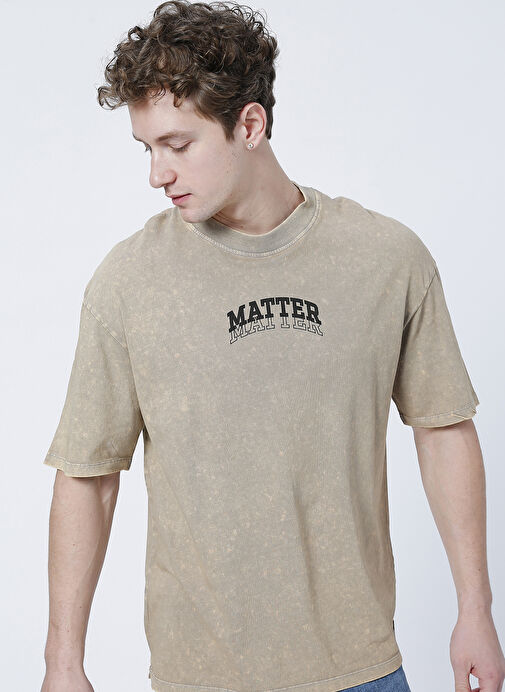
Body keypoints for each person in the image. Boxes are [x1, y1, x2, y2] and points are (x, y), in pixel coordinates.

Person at [41, 2, 505, 692]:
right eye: (146, 148)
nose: (156, 174)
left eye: (177, 145)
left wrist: (475, 610)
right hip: (198, 677)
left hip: (361, 669)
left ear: (250, 125)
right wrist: (63, 663)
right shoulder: (129, 282)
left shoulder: (384, 258)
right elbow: (88, 478)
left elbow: (442, 430)